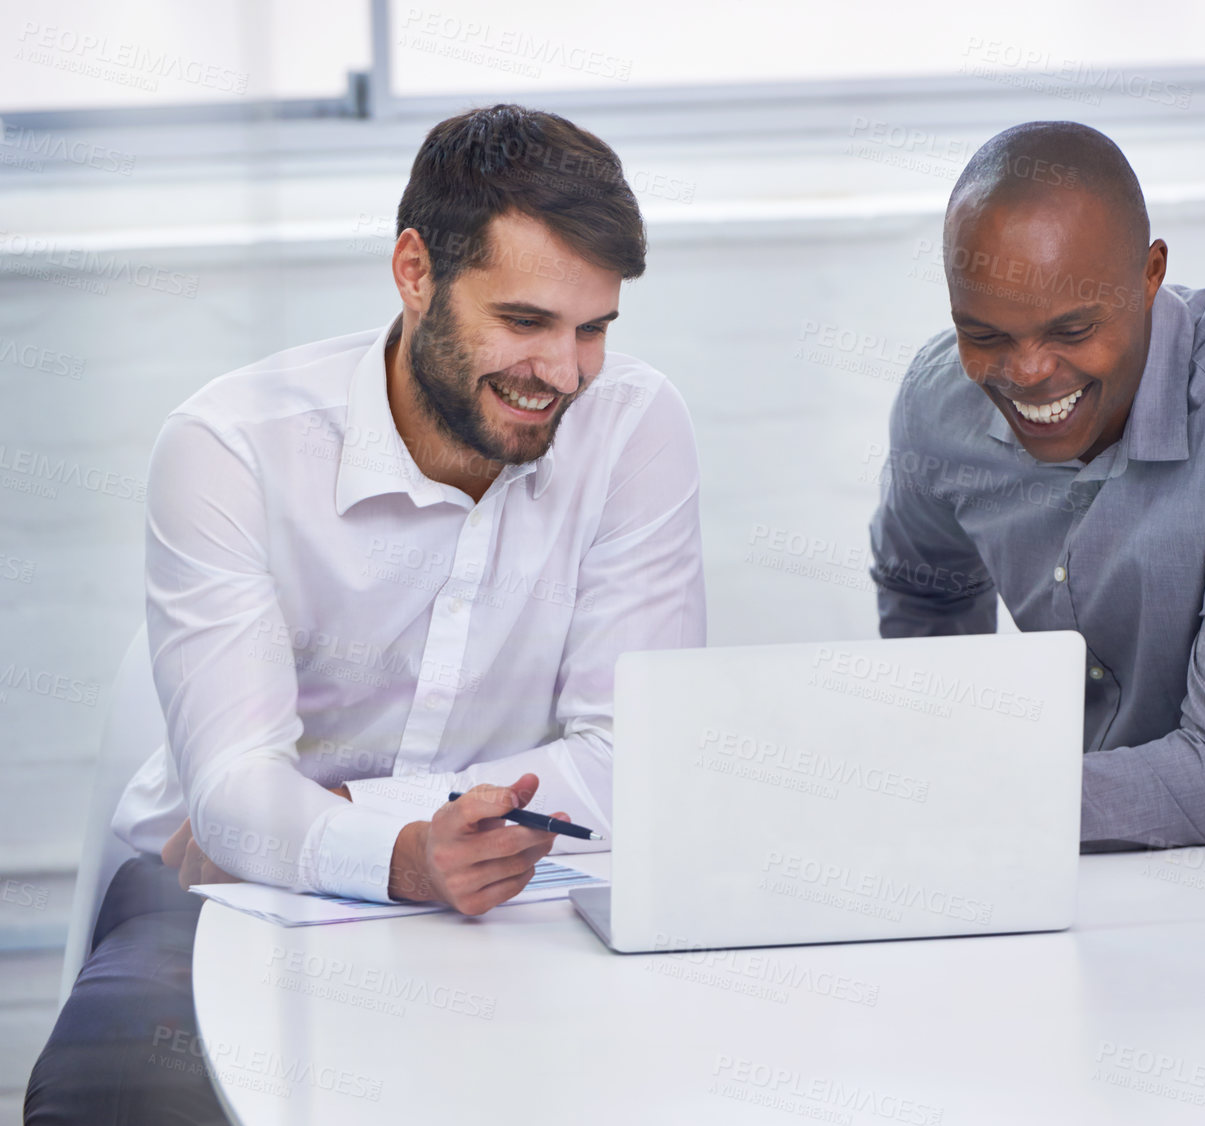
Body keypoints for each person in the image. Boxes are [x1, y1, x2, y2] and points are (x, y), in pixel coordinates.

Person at [26, 104, 704, 1124]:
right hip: (213, 899)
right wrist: (388, 856)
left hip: (512, 887)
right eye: (524, 322)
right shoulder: (232, 447)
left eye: (592, 329)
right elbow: (227, 798)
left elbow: (636, 762)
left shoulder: (636, 428)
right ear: (415, 271)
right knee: (120, 1096)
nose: (563, 374)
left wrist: (344, 829)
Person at [869, 121, 1205, 877]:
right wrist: (949, 750)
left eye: (1072, 329)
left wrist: (974, 800)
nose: (1028, 372)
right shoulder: (942, 402)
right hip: (1091, 875)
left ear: (1150, 275)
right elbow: (921, 590)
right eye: (986, 335)